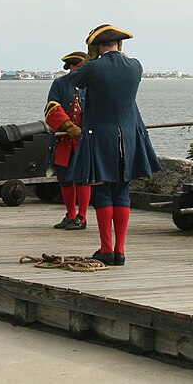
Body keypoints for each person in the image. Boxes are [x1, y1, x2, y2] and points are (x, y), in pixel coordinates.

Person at [61, 24, 161, 266]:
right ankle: (121, 250)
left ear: (96, 47)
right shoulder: (135, 66)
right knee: (122, 192)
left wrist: (90, 59)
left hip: (100, 138)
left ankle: (107, 249)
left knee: (103, 191)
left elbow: (72, 79)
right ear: (120, 45)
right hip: (128, 139)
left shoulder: (93, 67)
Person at [44, 50, 89, 230]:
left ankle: (82, 217)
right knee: (64, 178)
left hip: (84, 139)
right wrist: (69, 126)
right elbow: (51, 107)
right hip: (63, 140)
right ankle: (71, 214)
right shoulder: (60, 84)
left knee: (82, 179)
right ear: (71, 68)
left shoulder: (91, 85)